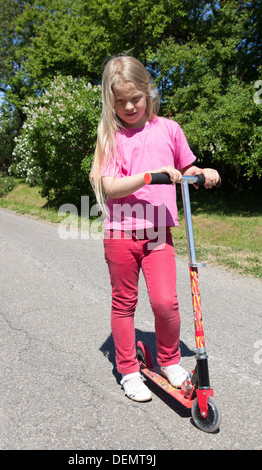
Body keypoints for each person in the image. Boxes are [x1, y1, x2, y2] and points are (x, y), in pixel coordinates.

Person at [91, 55, 219, 402]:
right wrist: (149, 176)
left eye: (136, 98)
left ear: (149, 93)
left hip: (158, 233)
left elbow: (187, 167)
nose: (130, 106)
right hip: (121, 233)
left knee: (166, 303)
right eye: (120, 101)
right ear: (111, 102)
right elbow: (108, 186)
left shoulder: (168, 129)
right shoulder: (111, 136)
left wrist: (202, 174)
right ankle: (129, 370)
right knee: (124, 303)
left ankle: (169, 360)